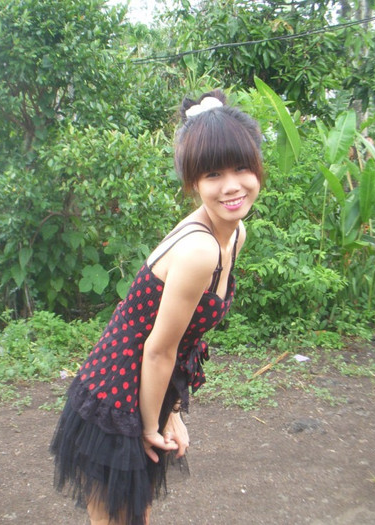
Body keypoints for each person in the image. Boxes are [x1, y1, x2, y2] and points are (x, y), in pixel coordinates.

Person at [50, 89, 265, 525]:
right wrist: (152, 424)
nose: (231, 186)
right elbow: (159, 349)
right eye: (213, 174)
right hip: (116, 395)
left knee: (134, 515)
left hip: (148, 389)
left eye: (242, 167)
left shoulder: (234, 234)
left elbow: (184, 339)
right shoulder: (200, 249)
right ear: (193, 182)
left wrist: (171, 413)